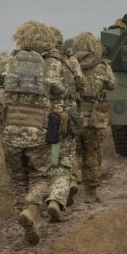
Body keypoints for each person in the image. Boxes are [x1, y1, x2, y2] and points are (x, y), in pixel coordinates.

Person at [0, 20, 67, 245]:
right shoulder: (51, 64)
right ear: (46, 41)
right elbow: (60, 90)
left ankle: (26, 216)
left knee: (17, 178)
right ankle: (30, 208)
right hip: (38, 131)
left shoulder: (8, 61)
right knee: (42, 176)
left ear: (21, 38)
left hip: (9, 132)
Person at [44, 26, 86, 221]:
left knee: (46, 159)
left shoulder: (41, 61)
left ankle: (45, 195)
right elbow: (82, 85)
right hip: (68, 116)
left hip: (45, 117)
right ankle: (56, 198)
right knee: (64, 160)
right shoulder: (71, 60)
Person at [72, 32, 117, 203]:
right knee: (91, 154)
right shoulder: (102, 67)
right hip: (92, 117)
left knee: (71, 153)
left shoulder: (69, 64)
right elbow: (112, 85)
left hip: (72, 116)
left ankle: (70, 182)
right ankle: (90, 193)